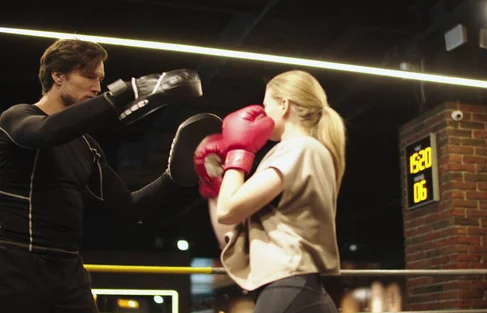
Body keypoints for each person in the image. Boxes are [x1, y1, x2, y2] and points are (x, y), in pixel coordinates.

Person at [0, 38, 206, 312]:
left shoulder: (87, 146)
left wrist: (177, 178)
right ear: (57, 75)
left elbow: (130, 209)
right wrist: (127, 92)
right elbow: (43, 133)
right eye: (88, 76)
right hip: (14, 265)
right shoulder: (17, 118)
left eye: (100, 79)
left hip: (68, 273)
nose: (97, 87)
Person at [194, 70, 346, 312]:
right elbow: (230, 230)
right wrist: (214, 182)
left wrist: (238, 152)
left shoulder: (298, 148)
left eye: (266, 105)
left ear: (284, 105)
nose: (262, 114)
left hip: (289, 289)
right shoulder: (309, 151)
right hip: (301, 289)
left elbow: (228, 210)